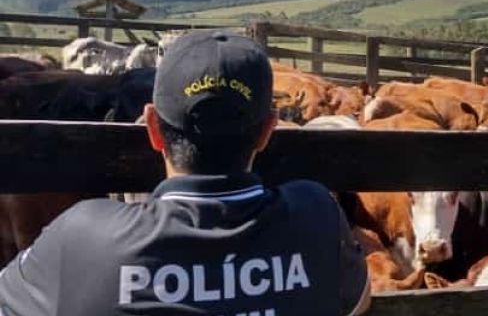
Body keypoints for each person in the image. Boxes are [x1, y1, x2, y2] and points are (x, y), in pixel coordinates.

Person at [0, 30, 370, 316]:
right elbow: (358, 299)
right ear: (267, 130)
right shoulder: (316, 215)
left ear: (152, 128)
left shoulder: (82, 238)